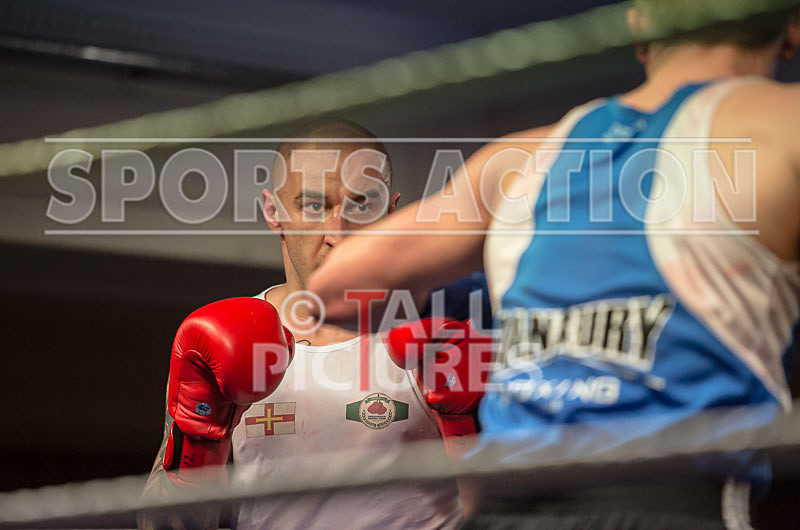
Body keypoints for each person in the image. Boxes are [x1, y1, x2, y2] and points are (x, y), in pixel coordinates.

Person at [308, 2, 800, 528]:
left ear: (638, 24)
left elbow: (335, 286)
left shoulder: (523, 159)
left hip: (507, 509)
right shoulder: (783, 125)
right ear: (791, 29)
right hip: (670, 498)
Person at [138, 119, 489, 530]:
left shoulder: (437, 326)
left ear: (389, 212)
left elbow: (506, 510)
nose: (337, 234)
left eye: (362, 205)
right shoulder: (219, 340)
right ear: (274, 212)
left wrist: (466, 428)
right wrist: (199, 442)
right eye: (314, 206)